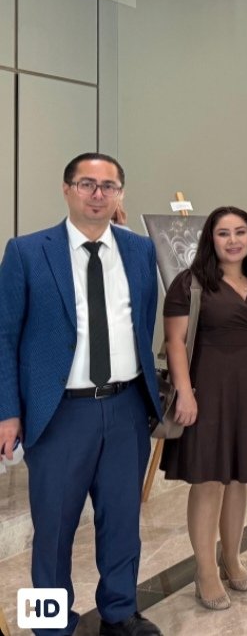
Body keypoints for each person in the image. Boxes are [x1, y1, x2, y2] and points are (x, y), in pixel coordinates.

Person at [0, 153, 162, 636]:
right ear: (67, 189)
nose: (97, 194)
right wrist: (8, 412)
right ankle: (48, 625)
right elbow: (4, 335)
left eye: (108, 186)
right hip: (59, 414)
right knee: (51, 530)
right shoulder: (27, 251)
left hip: (126, 408)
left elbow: (143, 322)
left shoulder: (140, 250)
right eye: (86, 184)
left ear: (120, 194)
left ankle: (120, 613)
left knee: (122, 522)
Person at [160, 206, 247, 610]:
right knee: (209, 479)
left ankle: (232, 558)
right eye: (223, 233)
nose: (233, 240)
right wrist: (185, 392)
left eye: (240, 232)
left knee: (238, 477)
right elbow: (175, 342)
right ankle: (205, 570)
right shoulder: (190, 282)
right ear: (210, 239)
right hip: (208, 387)